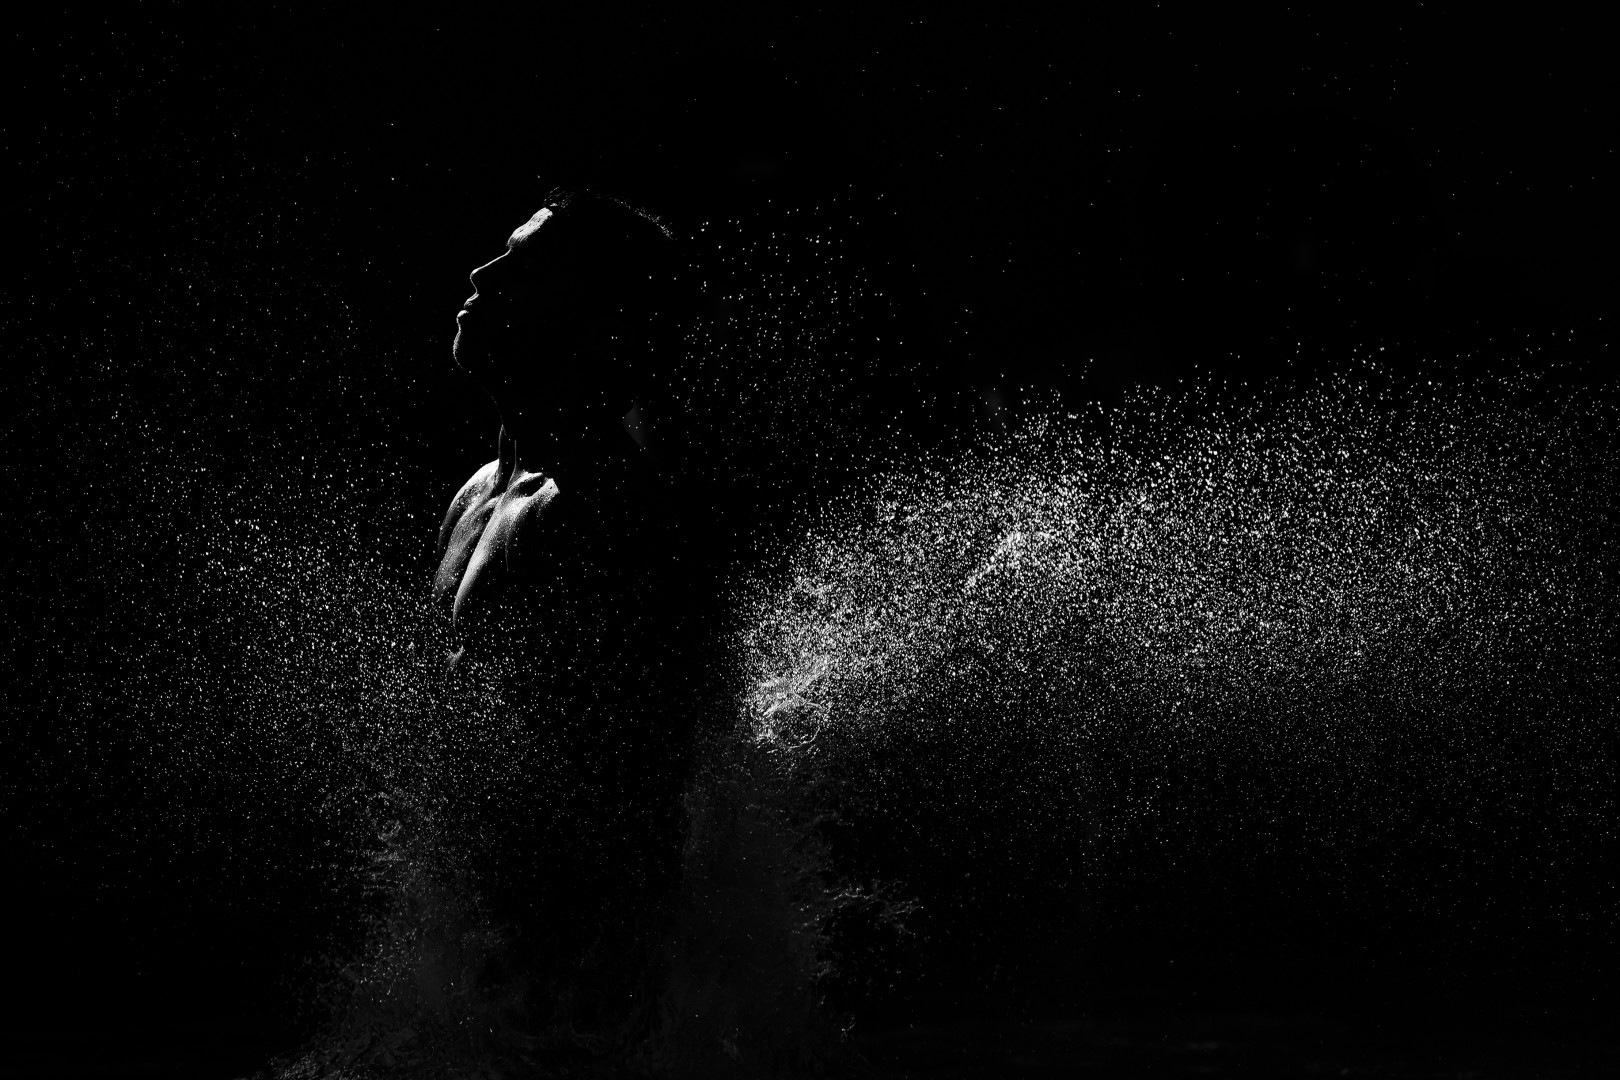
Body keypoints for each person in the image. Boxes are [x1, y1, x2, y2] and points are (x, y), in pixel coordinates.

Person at [433, 188, 704, 1025]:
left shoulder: (603, 515)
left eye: (524, 269)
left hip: (572, 996)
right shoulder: (480, 491)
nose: (482, 275)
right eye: (502, 252)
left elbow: (638, 804)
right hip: (493, 968)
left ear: (593, 324)